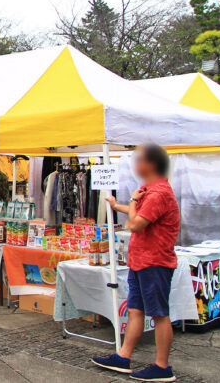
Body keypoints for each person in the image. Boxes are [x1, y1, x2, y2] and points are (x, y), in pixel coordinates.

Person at [92, 144, 180, 382]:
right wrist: (116, 205)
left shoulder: (159, 192)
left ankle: (162, 366)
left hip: (155, 262)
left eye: (139, 160)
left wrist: (130, 200)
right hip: (141, 261)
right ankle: (124, 356)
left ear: (150, 164)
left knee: (159, 314)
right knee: (135, 310)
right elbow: (138, 214)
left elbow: (135, 224)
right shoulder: (150, 190)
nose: (135, 165)